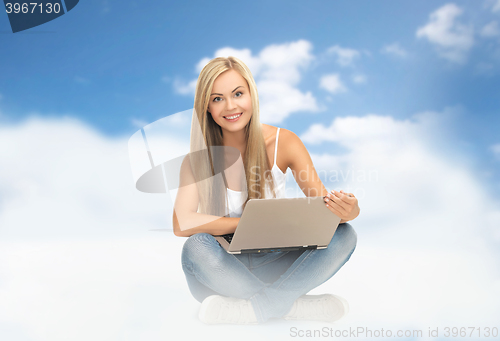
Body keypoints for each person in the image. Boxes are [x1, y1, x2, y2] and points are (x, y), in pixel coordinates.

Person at [172, 56, 360, 324]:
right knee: (196, 247)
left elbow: (324, 209)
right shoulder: (196, 160)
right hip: (225, 267)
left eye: (238, 93)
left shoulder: (284, 142)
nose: (231, 106)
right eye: (217, 99)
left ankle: (256, 308)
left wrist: (350, 211)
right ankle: (290, 305)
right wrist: (246, 224)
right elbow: (182, 222)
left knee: (345, 235)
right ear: (206, 108)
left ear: (252, 95)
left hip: (279, 261)